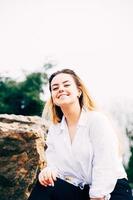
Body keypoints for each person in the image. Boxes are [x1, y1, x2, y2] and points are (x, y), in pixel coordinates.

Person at [28, 68, 133, 200]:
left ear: (79, 91)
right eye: (55, 88)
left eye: (66, 85)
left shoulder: (96, 121)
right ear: (53, 98)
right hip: (82, 190)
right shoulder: (55, 130)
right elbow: (56, 166)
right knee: (46, 186)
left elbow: (105, 163)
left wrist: (96, 196)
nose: (60, 89)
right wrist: (49, 171)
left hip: (111, 191)